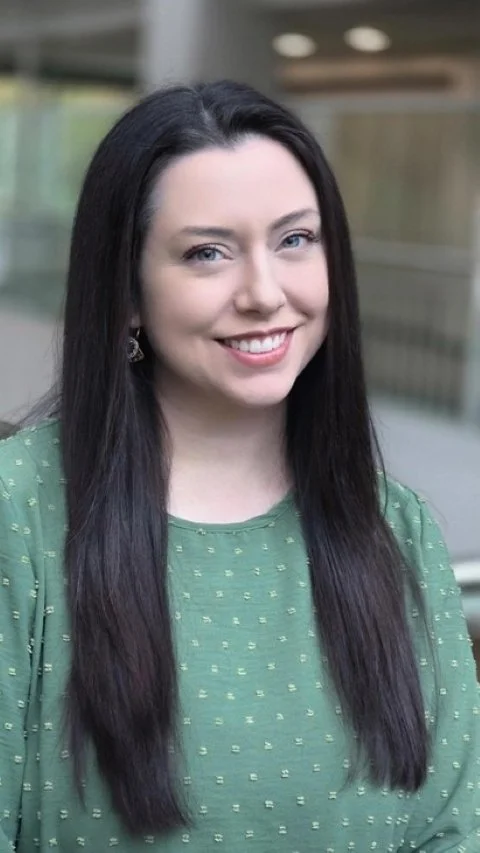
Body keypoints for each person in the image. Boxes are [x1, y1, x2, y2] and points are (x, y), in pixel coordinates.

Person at [0, 80, 478, 853]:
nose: (264, 292)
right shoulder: (17, 513)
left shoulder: (397, 527)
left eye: (295, 240)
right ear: (127, 293)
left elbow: (454, 828)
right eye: (207, 253)